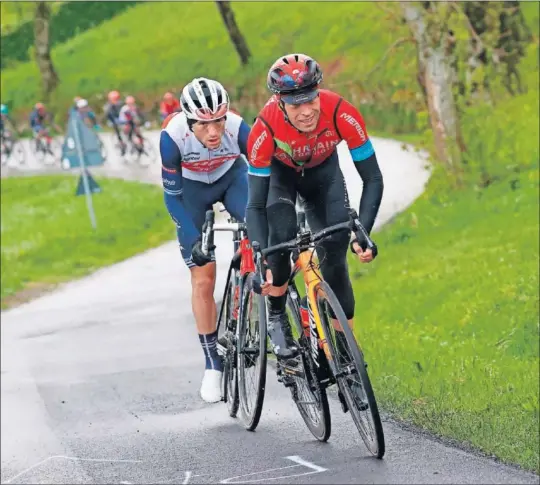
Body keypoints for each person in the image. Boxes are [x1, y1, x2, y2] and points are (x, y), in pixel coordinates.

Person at [245, 53, 384, 367]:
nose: (306, 112)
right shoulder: (265, 127)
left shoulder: (340, 111)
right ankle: (277, 315)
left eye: (311, 101)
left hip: (324, 177)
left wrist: (364, 231)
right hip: (281, 182)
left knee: (334, 255)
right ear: (280, 102)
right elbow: (255, 203)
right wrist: (259, 254)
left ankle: (344, 347)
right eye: (296, 105)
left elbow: (372, 177)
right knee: (279, 243)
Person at [160, 77, 251, 403]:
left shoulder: (239, 128)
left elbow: (268, 174)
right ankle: (213, 363)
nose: (213, 132)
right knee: (203, 278)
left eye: (218, 121)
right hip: (191, 192)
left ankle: (259, 302)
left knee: (260, 225)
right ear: (189, 121)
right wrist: (195, 238)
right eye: (203, 125)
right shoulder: (172, 137)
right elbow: (172, 199)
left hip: (231, 179)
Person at [103, 90, 126, 155]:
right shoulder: (108, 106)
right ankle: (121, 143)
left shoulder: (121, 104)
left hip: (121, 119)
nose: (116, 100)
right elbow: (109, 115)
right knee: (116, 128)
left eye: (117, 98)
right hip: (113, 120)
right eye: (115, 99)